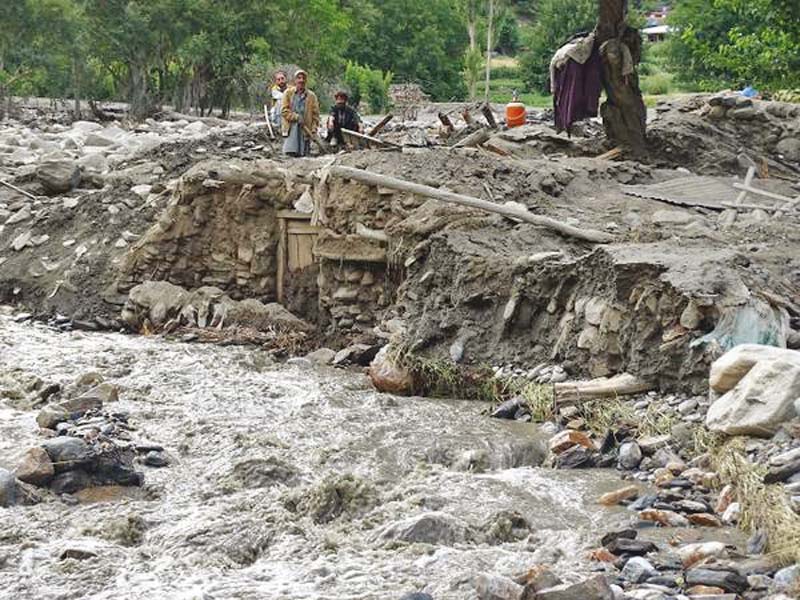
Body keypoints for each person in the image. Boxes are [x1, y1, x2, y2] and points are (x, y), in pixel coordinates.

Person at [281, 69, 320, 157]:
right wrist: (296, 117)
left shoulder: (312, 96)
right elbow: (284, 111)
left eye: (303, 78)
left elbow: (315, 115)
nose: (301, 80)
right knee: (290, 153)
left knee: (304, 154)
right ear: (295, 80)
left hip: (305, 131)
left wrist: (313, 130)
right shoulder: (288, 93)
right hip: (291, 129)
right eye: (299, 78)